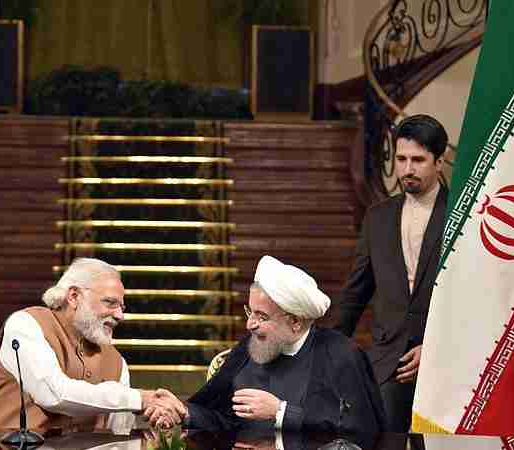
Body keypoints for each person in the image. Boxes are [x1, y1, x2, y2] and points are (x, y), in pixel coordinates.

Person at [148, 255, 386, 434]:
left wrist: (281, 412)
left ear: (294, 322)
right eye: (249, 312)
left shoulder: (341, 354)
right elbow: (225, 420)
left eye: (262, 317)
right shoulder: (248, 350)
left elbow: (361, 428)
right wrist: (184, 412)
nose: (250, 324)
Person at [334, 114, 449, 432]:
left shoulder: (462, 214)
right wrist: (328, 347)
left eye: (418, 160)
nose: (407, 169)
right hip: (387, 361)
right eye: (401, 159)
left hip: (446, 361)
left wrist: (436, 347)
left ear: (439, 162)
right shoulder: (378, 217)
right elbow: (356, 292)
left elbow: (474, 295)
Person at [0, 257, 183, 434]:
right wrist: (140, 398)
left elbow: (119, 437)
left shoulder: (116, 362)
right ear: (74, 296)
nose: (120, 315)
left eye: (122, 307)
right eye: (110, 303)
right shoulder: (26, 324)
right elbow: (53, 394)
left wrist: (159, 412)